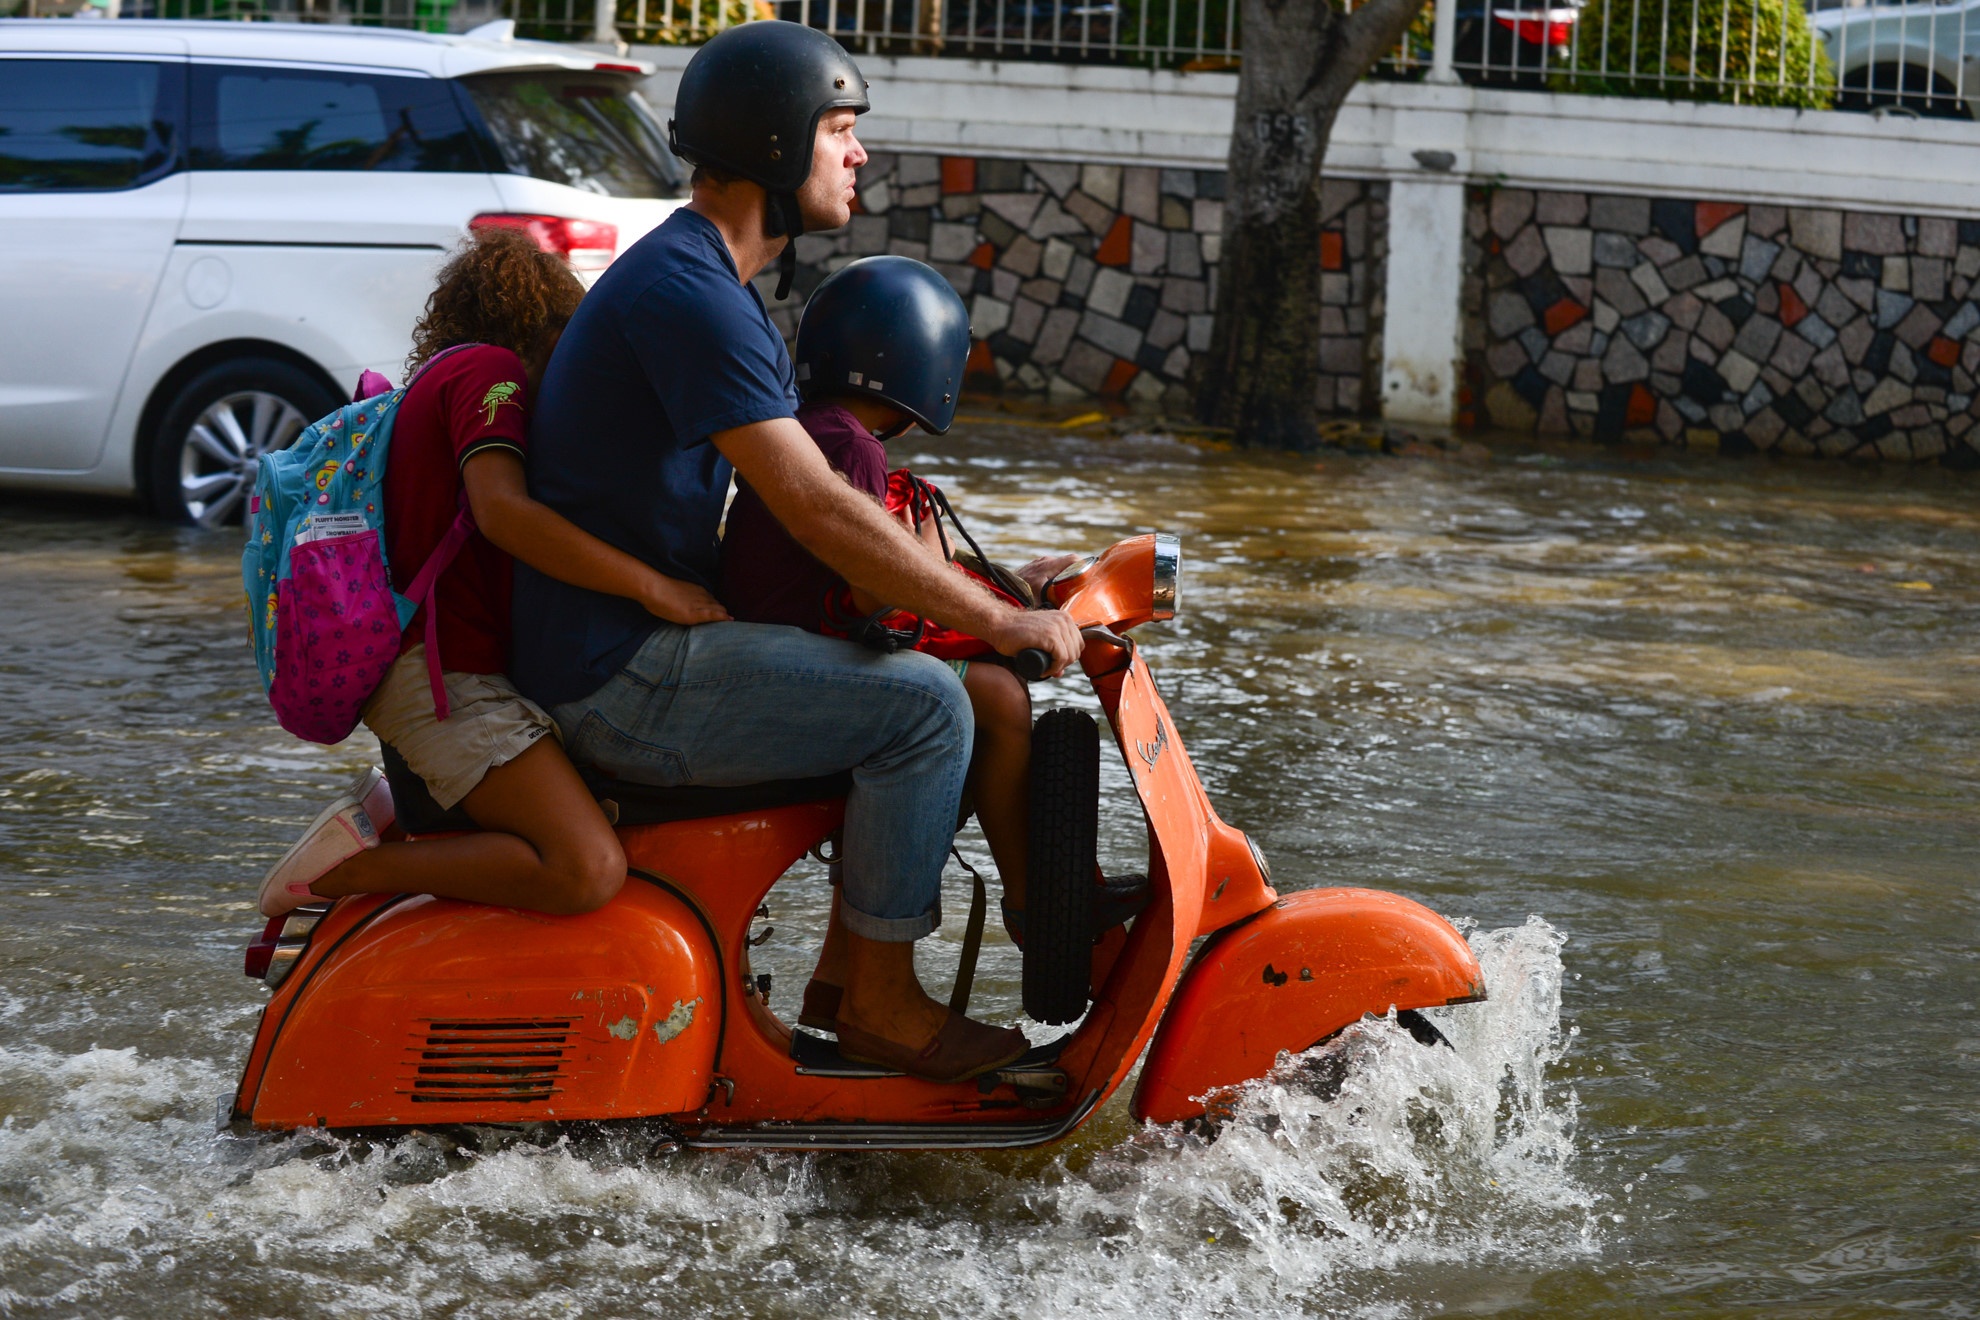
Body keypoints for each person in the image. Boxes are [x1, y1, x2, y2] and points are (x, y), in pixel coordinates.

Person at [509, 22, 1082, 1084]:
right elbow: (816, 508)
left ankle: (843, 977)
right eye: (841, 129)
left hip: (631, 646)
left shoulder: (709, 286)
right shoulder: (691, 294)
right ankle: (875, 1000)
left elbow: (811, 514)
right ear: (776, 143)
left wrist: (997, 589)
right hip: (616, 677)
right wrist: (1000, 622)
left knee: (946, 686)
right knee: (928, 704)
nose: (858, 154)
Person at [256, 227, 730, 921]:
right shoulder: (490, 373)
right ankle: (343, 873)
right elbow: (502, 512)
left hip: (441, 673)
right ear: (547, 324)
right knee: (585, 868)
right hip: (442, 682)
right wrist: (653, 587)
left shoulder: (439, 382)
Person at [719, 256, 1082, 1034]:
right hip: (806, 663)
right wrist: (958, 583)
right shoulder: (853, 449)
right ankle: (1035, 904)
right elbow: (872, 594)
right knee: (991, 696)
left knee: (966, 695)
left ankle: (836, 978)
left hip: (780, 650)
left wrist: (996, 581)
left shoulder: (808, 429)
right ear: (923, 372)